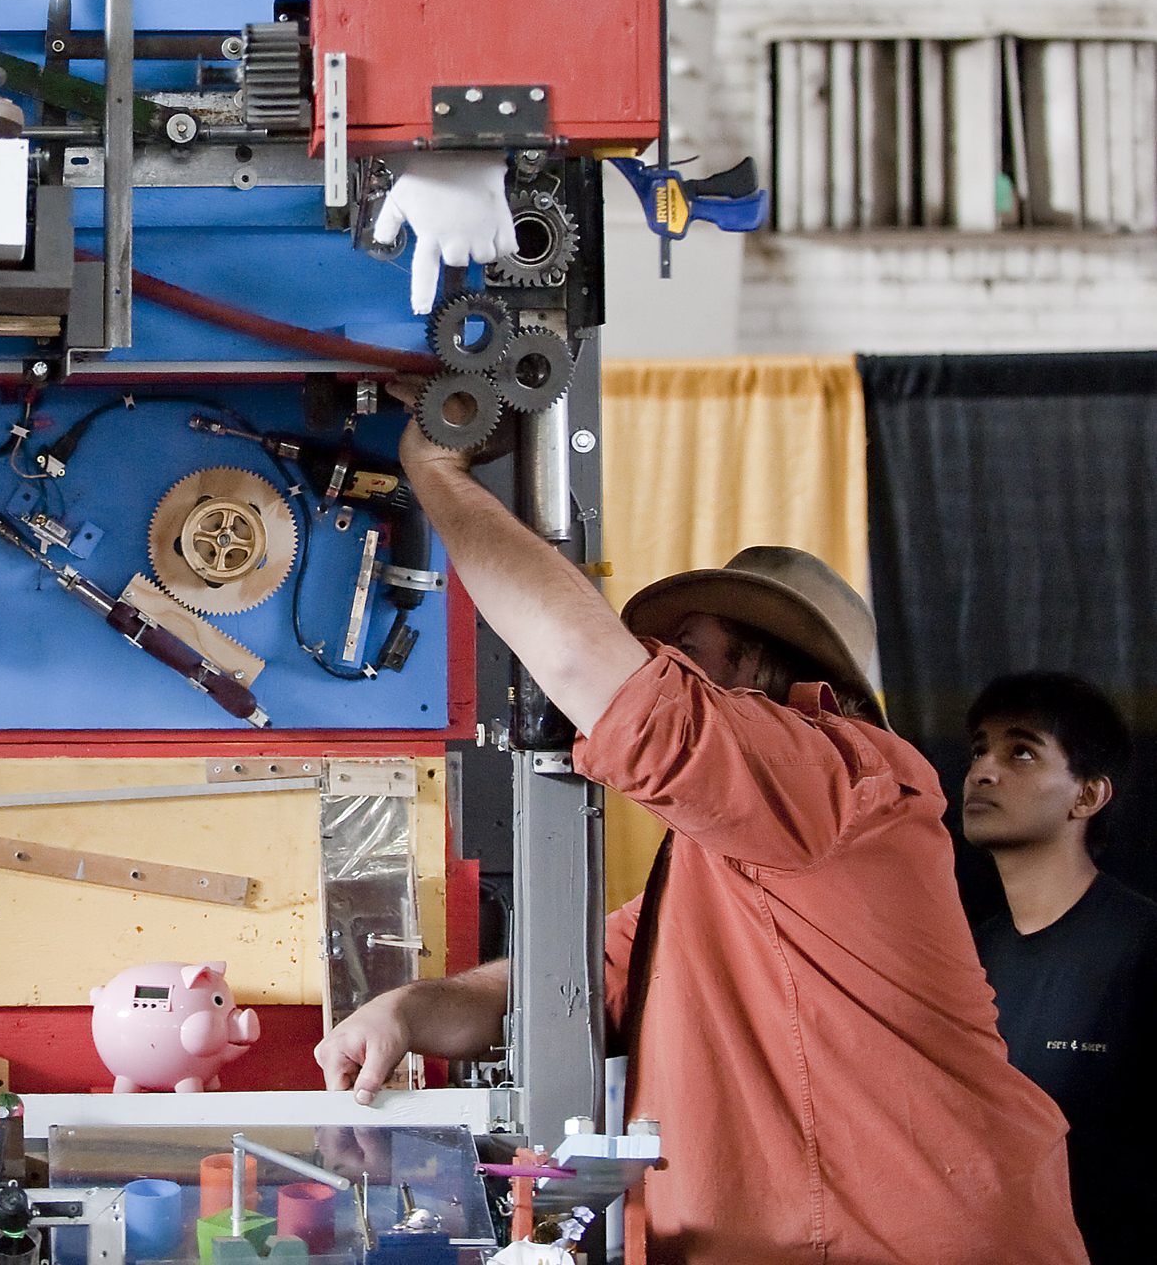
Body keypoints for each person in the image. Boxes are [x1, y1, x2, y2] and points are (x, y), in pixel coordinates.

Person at [318, 417, 1086, 1264]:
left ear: (762, 672)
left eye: (684, 653)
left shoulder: (839, 772)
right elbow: (572, 981)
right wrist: (407, 1011)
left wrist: (435, 470)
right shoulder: (730, 853)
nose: (655, 665)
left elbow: (584, 669)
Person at [963, 671, 1156, 1265]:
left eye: (1021, 752)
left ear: (1088, 796)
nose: (982, 771)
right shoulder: (962, 958)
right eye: (979, 750)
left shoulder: (1143, 946)